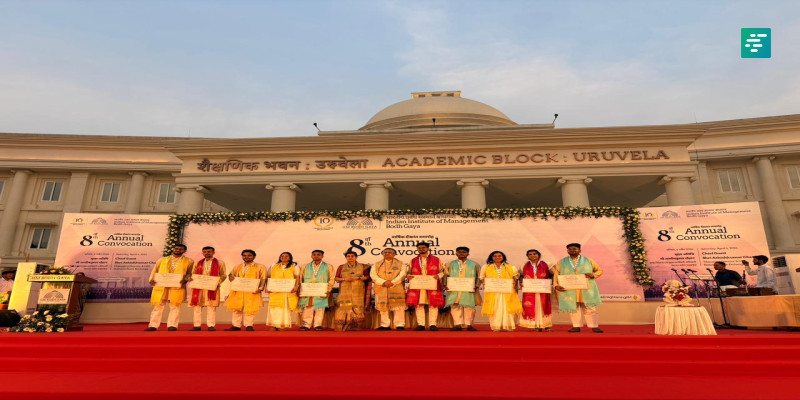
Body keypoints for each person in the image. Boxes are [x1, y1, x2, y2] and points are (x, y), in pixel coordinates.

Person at [554, 243, 603, 333]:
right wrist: (556, 285)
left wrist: (593, 275)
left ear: (579, 250)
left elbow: (599, 270)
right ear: (567, 251)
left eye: (575, 249)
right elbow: (557, 273)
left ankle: (594, 326)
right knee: (574, 308)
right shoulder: (562, 261)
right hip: (570, 289)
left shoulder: (588, 260)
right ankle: (576, 326)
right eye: (570, 249)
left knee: (590, 307)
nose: (572, 250)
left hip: (586, 289)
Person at [146, 244, 194, 331]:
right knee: (158, 306)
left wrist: (185, 279)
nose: (178, 250)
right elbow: (155, 270)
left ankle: (172, 325)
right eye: (176, 248)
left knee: (175, 306)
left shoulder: (189, 261)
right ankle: (153, 325)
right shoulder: (162, 260)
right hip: (162, 286)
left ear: (184, 251)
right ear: (173, 249)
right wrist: (152, 280)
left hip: (177, 286)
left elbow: (190, 273)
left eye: (180, 249)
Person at [224, 249, 266, 331]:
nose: (246, 257)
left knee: (250, 308)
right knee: (236, 308)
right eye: (244, 255)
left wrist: (260, 288)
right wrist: (231, 277)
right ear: (242, 257)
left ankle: (249, 325)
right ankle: (236, 325)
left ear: (254, 256)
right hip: (238, 291)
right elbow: (231, 275)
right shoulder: (237, 266)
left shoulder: (260, 267)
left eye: (249, 255)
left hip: (252, 291)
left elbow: (263, 278)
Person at [480, 250, 522, 332]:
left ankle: (509, 325)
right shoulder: (486, 267)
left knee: (508, 308)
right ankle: (496, 326)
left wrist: (514, 284)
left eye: (499, 256)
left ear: (503, 257)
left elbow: (516, 277)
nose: (497, 257)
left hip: (507, 292)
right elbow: (482, 278)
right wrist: (487, 284)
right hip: (493, 292)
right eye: (495, 256)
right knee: (495, 308)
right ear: (491, 257)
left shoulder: (510, 267)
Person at [407, 242, 445, 331]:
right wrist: (409, 276)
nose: (421, 249)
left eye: (423, 248)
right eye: (419, 248)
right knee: (419, 305)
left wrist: (438, 276)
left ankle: (433, 324)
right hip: (418, 286)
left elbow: (443, 271)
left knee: (433, 305)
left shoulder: (436, 259)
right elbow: (408, 272)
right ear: (417, 249)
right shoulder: (413, 260)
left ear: (428, 249)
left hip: (432, 285)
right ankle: (421, 324)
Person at [187, 246, 227, 331]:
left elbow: (223, 275)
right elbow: (192, 274)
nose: (207, 253)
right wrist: (190, 278)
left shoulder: (220, 263)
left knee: (211, 307)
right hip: (198, 288)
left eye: (209, 251)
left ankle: (211, 325)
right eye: (205, 252)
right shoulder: (197, 263)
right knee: (197, 306)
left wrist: (217, 282)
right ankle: (197, 325)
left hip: (212, 288)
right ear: (202, 253)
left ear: (213, 252)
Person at [370, 248, 408, 330]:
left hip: (396, 286)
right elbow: (373, 275)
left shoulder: (401, 264)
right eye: (385, 252)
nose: (387, 253)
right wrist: (383, 282)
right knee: (383, 306)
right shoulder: (376, 264)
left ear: (394, 254)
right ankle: (385, 325)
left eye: (389, 252)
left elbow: (403, 275)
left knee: (398, 306)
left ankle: (399, 324)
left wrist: (392, 282)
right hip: (381, 287)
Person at [298, 250, 335, 331]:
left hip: (322, 290)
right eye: (314, 254)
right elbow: (301, 278)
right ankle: (306, 325)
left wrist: (328, 289)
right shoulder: (305, 266)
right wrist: (302, 289)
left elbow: (331, 279)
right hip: (308, 291)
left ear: (322, 256)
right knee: (308, 307)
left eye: (318, 254)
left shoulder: (329, 266)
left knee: (320, 308)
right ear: (311, 256)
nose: (316, 256)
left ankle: (318, 325)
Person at [444, 246, 479, 331]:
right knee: (455, 306)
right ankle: (457, 324)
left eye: (464, 252)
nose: (461, 254)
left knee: (469, 307)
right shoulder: (450, 264)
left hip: (469, 288)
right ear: (456, 253)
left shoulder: (474, 264)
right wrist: (445, 284)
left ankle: (468, 325)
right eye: (459, 252)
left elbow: (479, 276)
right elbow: (446, 275)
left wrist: (477, 285)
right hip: (454, 289)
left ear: (468, 254)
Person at [334, 251, 370, 331]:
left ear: (356, 257)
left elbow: (367, 277)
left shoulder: (363, 266)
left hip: (358, 290)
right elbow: (336, 278)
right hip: (344, 291)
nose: (350, 257)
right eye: (348, 256)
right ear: (346, 258)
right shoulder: (341, 267)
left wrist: (359, 278)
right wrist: (344, 279)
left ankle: (356, 326)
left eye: (352, 256)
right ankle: (342, 326)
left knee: (358, 307)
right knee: (344, 306)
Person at [520, 249, 554, 332]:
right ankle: (536, 326)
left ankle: (547, 325)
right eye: (530, 254)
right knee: (533, 307)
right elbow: (521, 276)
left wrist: (550, 282)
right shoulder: (524, 265)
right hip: (530, 291)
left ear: (539, 255)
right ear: (527, 256)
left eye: (534, 254)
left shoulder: (547, 264)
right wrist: (521, 282)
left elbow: (553, 274)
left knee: (544, 306)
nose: (532, 255)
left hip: (543, 290)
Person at [266, 252, 300, 331]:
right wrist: (267, 287)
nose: (284, 257)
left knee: (285, 309)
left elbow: (297, 277)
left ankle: (283, 325)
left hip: (287, 292)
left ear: (290, 258)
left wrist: (296, 286)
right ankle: (274, 325)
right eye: (282, 256)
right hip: (275, 291)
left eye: (286, 256)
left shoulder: (294, 266)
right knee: (274, 308)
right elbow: (268, 277)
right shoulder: (274, 265)